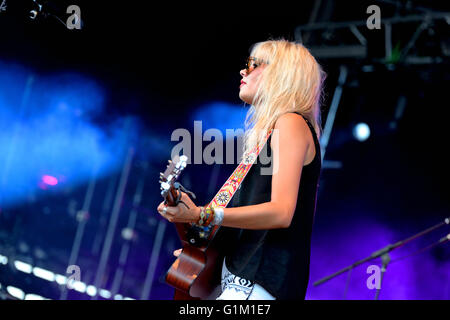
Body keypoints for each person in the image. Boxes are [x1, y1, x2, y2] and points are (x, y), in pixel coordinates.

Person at [157, 38, 325, 300]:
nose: (243, 71)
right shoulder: (270, 134)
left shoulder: (290, 122)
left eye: (253, 64)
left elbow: (281, 213)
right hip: (236, 283)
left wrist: (204, 214)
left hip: (256, 286)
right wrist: (195, 223)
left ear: (281, 74)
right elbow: (242, 221)